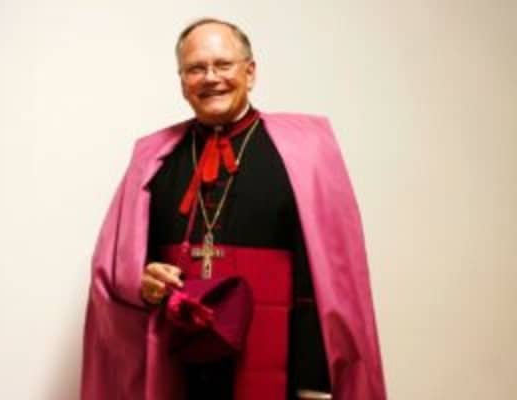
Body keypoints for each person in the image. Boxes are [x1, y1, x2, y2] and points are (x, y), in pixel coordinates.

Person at [81, 18, 386, 400]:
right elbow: (118, 270)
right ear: (182, 82)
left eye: (223, 64)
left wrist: (314, 384)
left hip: (279, 357)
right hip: (179, 358)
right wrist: (143, 282)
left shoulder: (306, 153)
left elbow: (327, 279)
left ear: (250, 72)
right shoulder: (152, 159)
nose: (211, 78)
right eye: (196, 68)